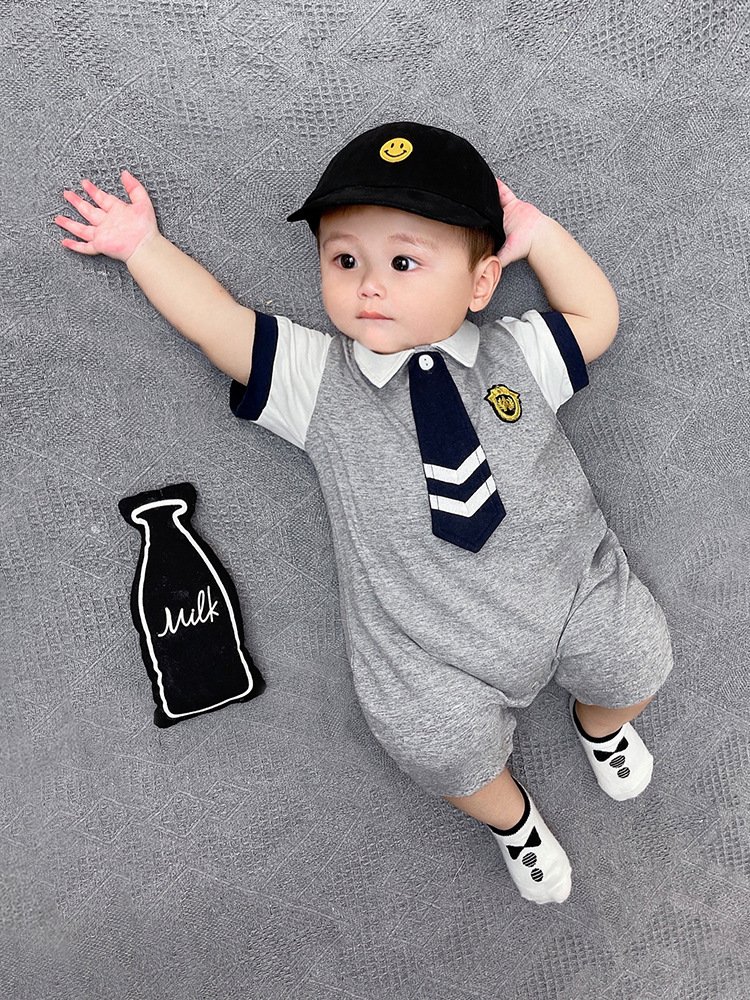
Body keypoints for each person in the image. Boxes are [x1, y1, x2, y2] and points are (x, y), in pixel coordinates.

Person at [55, 121, 672, 904]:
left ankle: (602, 726)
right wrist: (143, 247)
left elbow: (595, 318)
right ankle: (513, 820)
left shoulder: (518, 353)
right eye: (344, 261)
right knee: (439, 747)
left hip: (571, 587)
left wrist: (541, 235)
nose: (368, 285)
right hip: (425, 642)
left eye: (403, 262)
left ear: (481, 284)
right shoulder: (316, 379)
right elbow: (218, 323)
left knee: (639, 657)